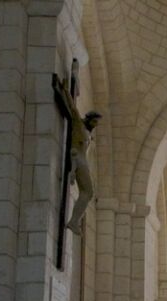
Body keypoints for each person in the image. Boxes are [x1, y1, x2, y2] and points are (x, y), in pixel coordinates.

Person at [57, 79, 101, 235]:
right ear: (89, 119)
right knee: (88, 192)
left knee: (89, 192)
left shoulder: (88, 134)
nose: (95, 125)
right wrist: (66, 90)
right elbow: (73, 109)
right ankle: (73, 221)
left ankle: (74, 220)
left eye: (96, 123)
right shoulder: (78, 123)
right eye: (94, 121)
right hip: (76, 157)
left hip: (82, 160)